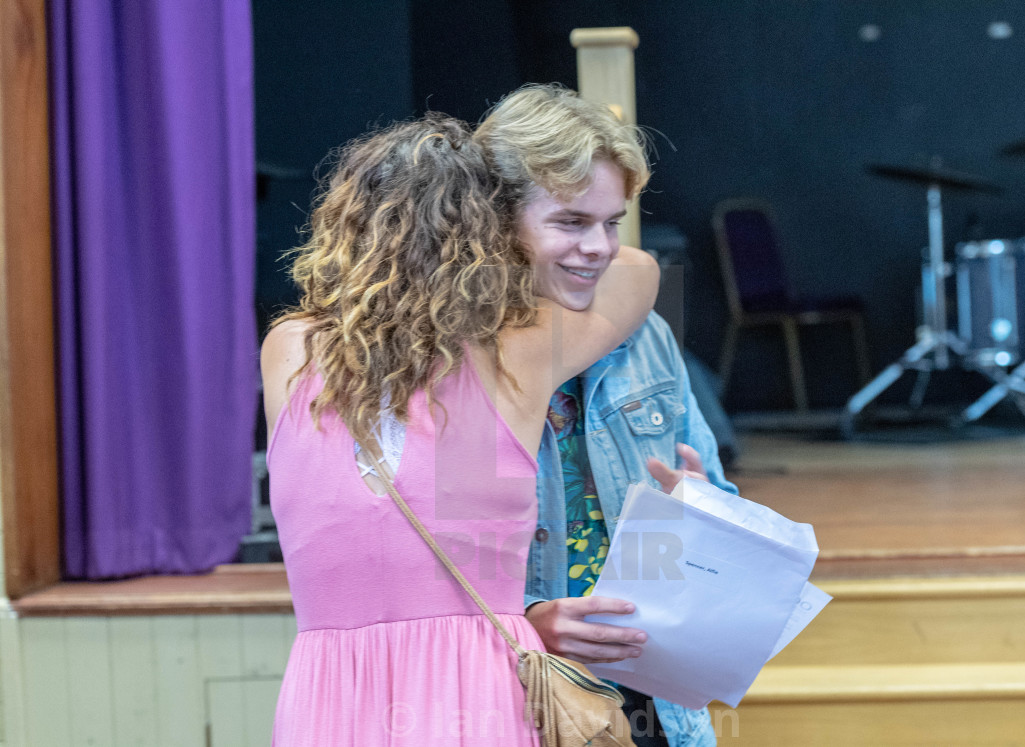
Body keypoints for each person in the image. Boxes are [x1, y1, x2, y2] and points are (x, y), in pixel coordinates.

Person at [261, 113, 659, 745]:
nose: (599, 243)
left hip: (326, 703)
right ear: (492, 242)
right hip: (474, 698)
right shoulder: (515, 355)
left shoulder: (289, 352)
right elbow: (636, 271)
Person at [476, 84, 739, 747]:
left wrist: (706, 516)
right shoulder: (454, 357)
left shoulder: (643, 336)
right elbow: (421, 565)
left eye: (612, 221)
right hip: (517, 697)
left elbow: (718, 508)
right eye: (570, 222)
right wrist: (530, 617)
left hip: (654, 709)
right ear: (494, 219)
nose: (599, 246)